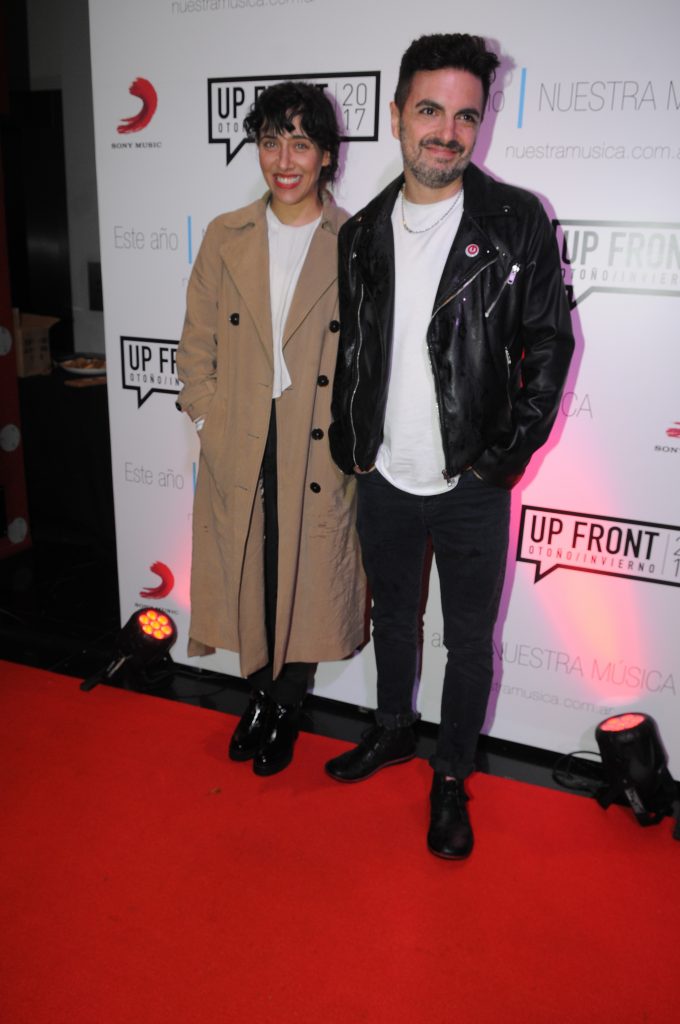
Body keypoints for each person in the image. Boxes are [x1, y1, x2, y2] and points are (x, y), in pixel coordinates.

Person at [326, 34, 574, 858]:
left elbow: (550, 347)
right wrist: (355, 444)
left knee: (467, 641)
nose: (447, 132)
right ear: (397, 114)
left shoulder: (514, 220)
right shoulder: (362, 231)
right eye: (430, 110)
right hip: (383, 473)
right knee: (393, 618)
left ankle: (450, 774)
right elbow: (356, 351)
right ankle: (394, 727)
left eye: (466, 116)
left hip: (472, 479)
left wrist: (501, 457)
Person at [176, 81, 365, 777]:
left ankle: (286, 705)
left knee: (306, 571)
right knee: (250, 568)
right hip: (241, 431)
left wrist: (352, 438)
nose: (284, 160)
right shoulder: (224, 235)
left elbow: (368, 355)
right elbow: (195, 344)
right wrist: (208, 415)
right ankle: (259, 696)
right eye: (270, 142)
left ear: (326, 155)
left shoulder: (355, 241)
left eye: (301, 143)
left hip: (316, 438)